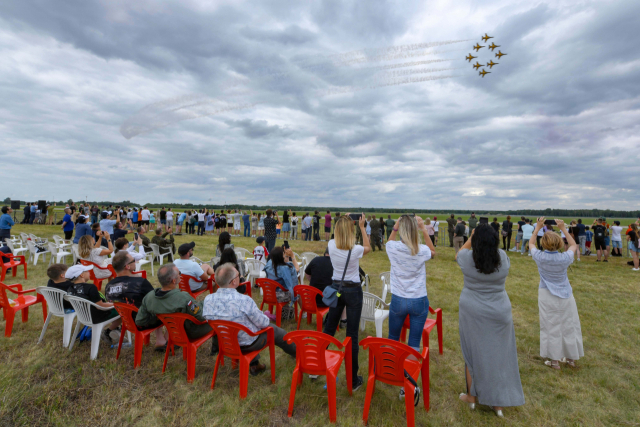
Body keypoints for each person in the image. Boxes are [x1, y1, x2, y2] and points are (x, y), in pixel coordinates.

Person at [456, 224, 525, 416]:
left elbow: (460, 253)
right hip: (499, 311)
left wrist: (471, 237)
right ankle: (498, 403)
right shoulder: (502, 257)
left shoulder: (467, 258)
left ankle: (472, 396)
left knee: (472, 354)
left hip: (472, 311)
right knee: (499, 356)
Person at [203, 263, 296, 375]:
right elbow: (264, 323)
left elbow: (209, 321)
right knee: (274, 330)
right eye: (238, 275)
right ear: (234, 281)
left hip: (225, 342)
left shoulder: (208, 300)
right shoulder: (244, 300)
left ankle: (255, 365)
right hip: (247, 345)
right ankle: (299, 353)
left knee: (247, 327)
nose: (240, 276)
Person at [322, 214, 371, 392]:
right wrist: (362, 227)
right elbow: (368, 247)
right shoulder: (355, 249)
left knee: (329, 328)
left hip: (337, 288)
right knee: (352, 335)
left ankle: (317, 366)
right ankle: (352, 379)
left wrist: (346, 220)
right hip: (353, 290)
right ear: (350, 230)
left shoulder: (331, 245)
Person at [529, 218, 583, 370]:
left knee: (550, 325)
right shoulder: (564, 257)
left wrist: (538, 227)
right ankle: (571, 358)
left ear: (544, 244)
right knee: (569, 325)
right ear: (559, 243)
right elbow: (573, 245)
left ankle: (554, 361)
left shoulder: (540, 257)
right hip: (566, 294)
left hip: (547, 294)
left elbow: (531, 244)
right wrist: (563, 229)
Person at [386, 215, 436, 360]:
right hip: (419, 299)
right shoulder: (421, 250)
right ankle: (410, 374)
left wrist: (395, 227)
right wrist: (424, 229)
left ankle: (392, 368)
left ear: (402, 230)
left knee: (393, 337)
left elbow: (389, 241)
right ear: (414, 231)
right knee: (414, 341)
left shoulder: (393, 248)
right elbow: (433, 252)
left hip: (398, 299)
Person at [136, 263, 214, 352]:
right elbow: (200, 317)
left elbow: (140, 321)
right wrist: (205, 304)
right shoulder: (184, 298)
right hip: (188, 333)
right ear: (174, 281)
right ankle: (215, 351)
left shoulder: (149, 297)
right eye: (179, 273)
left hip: (173, 329)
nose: (180, 275)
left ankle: (167, 337)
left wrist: (158, 318)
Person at [105, 251, 167, 350]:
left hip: (126, 321)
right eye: (133, 260)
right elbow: (156, 300)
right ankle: (161, 340)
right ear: (127, 266)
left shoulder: (109, 285)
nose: (136, 261)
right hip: (143, 322)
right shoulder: (140, 282)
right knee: (165, 306)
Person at [66, 263, 122, 344]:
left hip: (83, 315)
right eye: (87, 271)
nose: (89, 272)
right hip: (96, 316)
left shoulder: (70, 289)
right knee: (122, 311)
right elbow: (100, 306)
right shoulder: (90, 287)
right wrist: (115, 305)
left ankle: (115, 330)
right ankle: (108, 331)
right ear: (82, 275)